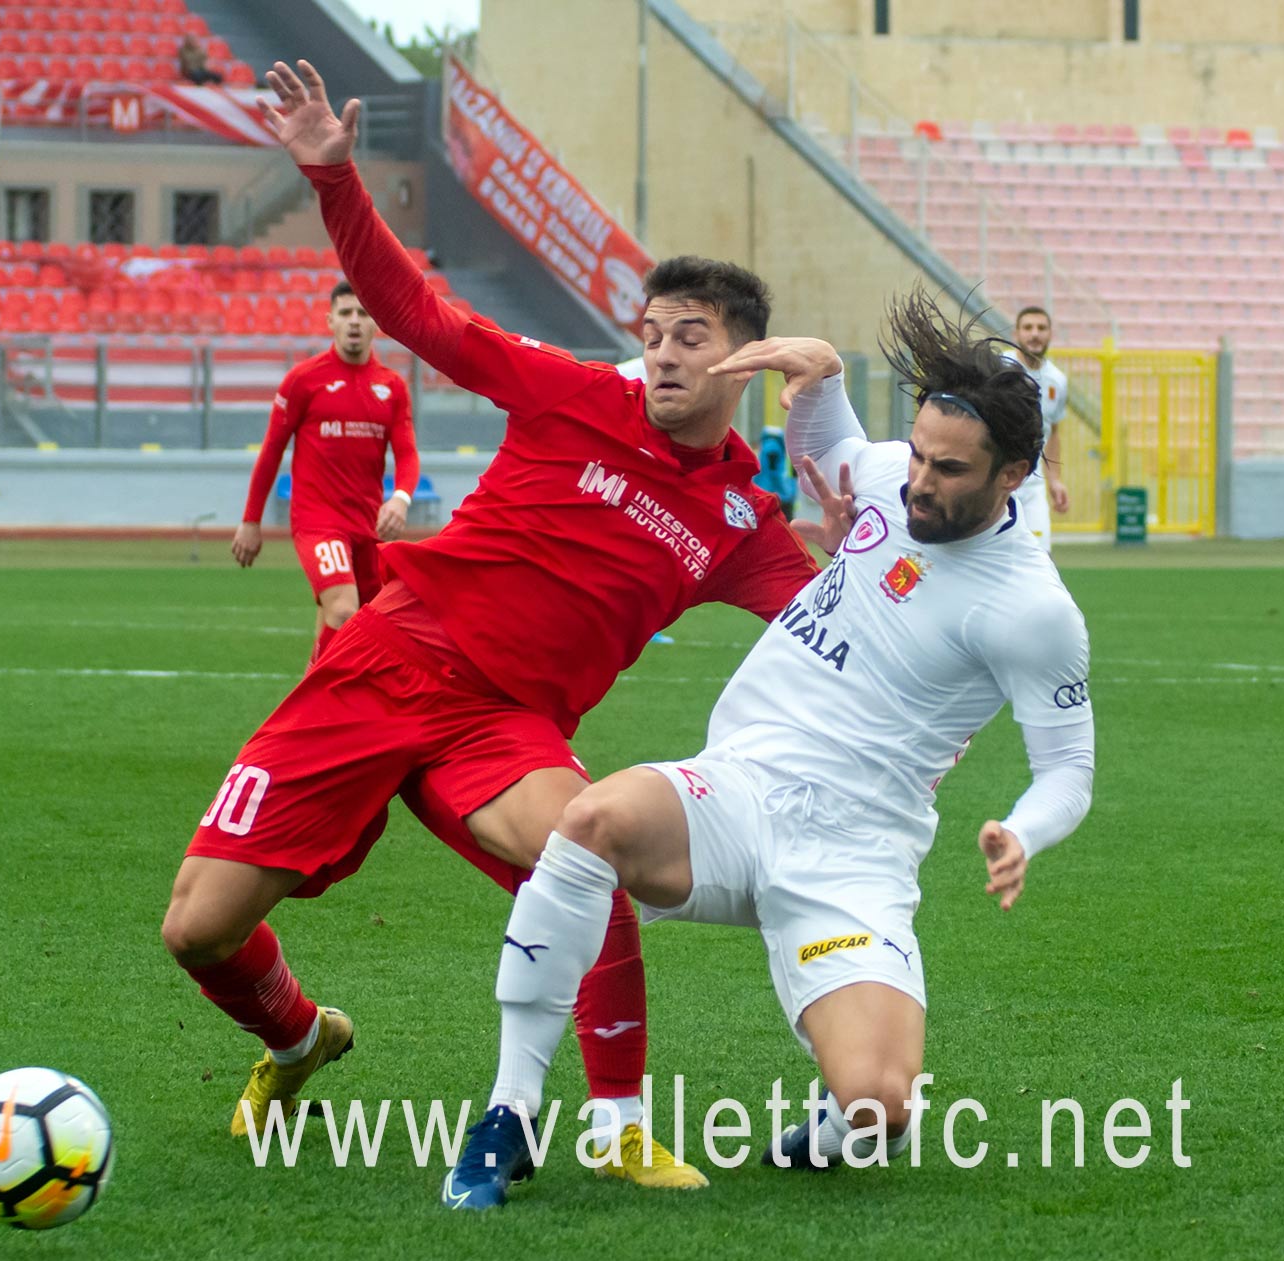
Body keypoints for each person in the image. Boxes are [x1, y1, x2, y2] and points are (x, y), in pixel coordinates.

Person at [159, 59, 832, 1188]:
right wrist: (332, 174)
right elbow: (420, 310)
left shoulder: (739, 518)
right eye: (656, 330)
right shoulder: (570, 391)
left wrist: (861, 478)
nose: (665, 351)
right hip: (382, 660)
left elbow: (839, 622)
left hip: (501, 725)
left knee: (592, 851)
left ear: (746, 358)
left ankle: (617, 1126)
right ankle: (297, 1036)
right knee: (198, 928)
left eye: (694, 335)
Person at [444, 289, 1097, 1210]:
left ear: (1015, 475)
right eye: (916, 453)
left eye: (949, 471)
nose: (917, 482)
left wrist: (1025, 833)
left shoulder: (1034, 611)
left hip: (856, 856)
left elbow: (1069, 770)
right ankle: (510, 1115)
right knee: (589, 822)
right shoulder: (885, 478)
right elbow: (831, 444)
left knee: (880, 1102)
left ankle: (830, 1135)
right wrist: (822, 373)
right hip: (740, 791)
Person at [232, 281, 417, 667]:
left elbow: (407, 455)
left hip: (368, 527)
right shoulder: (304, 380)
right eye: (346, 313)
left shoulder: (392, 387)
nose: (354, 322)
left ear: (375, 324)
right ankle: (316, 708)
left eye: (363, 314)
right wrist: (251, 520)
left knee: (362, 625)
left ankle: (310, 707)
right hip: (318, 522)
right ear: (330, 320)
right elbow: (270, 453)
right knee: (344, 609)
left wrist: (399, 498)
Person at [1007, 306, 1069, 552]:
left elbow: (1053, 432)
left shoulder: (1057, 380)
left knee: (1039, 555)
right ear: (1016, 334)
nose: (1035, 334)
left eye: (1041, 328)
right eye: (1028, 328)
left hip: (1032, 483)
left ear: (1050, 334)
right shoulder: (999, 368)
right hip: (994, 480)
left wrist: (1055, 480)